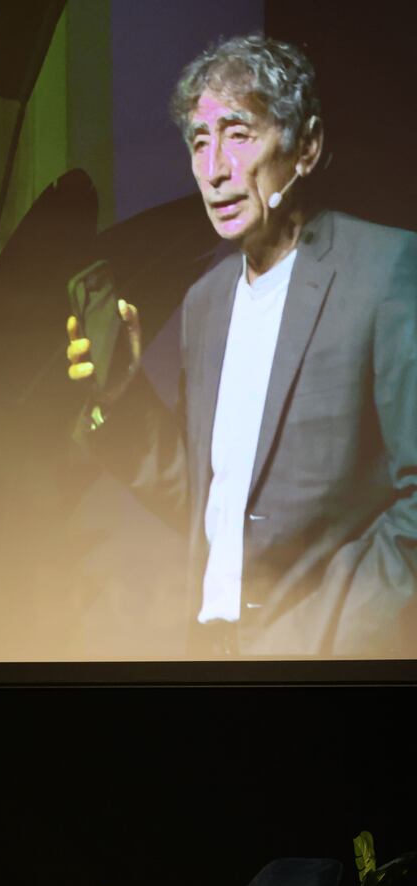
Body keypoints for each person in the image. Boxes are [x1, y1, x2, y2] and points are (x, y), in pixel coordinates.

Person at [67, 33, 416, 658]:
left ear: (306, 147)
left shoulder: (386, 268)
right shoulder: (207, 302)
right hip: (217, 656)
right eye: (200, 142)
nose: (214, 169)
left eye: (238, 134)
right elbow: (211, 501)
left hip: (332, 659)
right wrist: (120, 397)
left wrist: (338, 634)